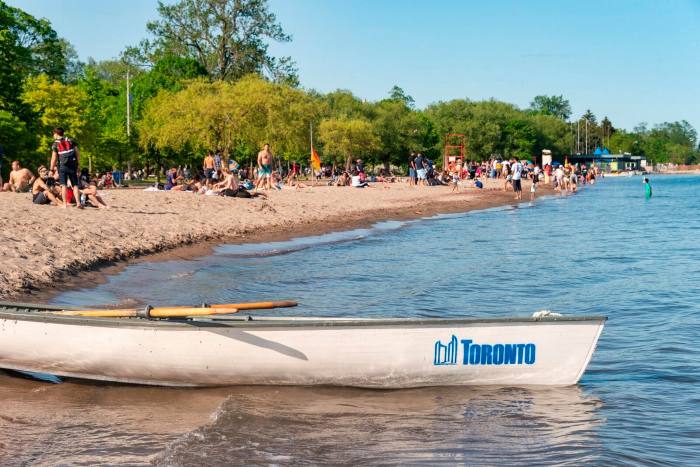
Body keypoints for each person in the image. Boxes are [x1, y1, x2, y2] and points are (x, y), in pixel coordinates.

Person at [50, 128, 82, 208]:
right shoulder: (71, 140)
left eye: (53, 134)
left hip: (62, 166)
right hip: (72, 165)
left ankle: (64, 203)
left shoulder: (55, 144)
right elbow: (77, 153)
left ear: (56, 134)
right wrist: (78, 165)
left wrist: (51, 169)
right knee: (75, 185)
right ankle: (78, 203)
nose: (53, 135)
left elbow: (54, 158)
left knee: (63, 185)